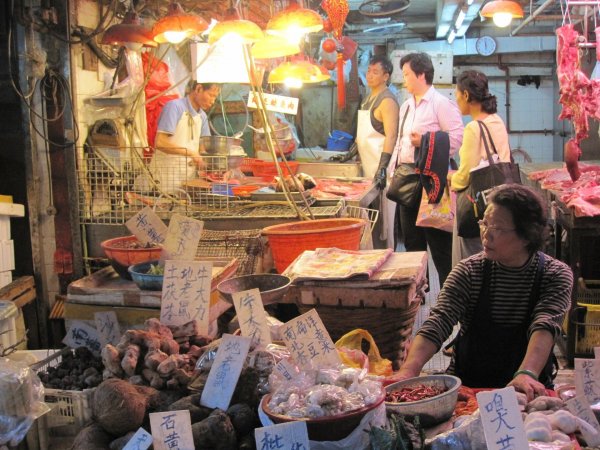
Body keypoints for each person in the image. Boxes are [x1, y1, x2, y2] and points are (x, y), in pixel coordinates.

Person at [396, 184, 573, 400]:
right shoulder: (469, 271)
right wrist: (410, 369)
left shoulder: (555, 274)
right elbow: (439, 320)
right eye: (484, 224)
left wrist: (526, 374)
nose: (485, 236)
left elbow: (545, 325)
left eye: (497, 229)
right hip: (469, 390)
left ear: (527, 235)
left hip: (527, 391)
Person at [394, 52, 463, 286]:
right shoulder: (405, 107)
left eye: (406, 74)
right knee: (412, 245)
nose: (404, 79)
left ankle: (448, 296)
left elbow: (455, 139)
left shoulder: (442, 104)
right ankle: (417, 297)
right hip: (407, 181)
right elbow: (399, 142)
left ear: (421, 74)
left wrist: (424, 141)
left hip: (432, 184)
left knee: (440, 245)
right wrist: (393, 168)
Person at [450, 70, 512, 266]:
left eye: (456, 95)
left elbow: (466, 175)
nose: (456, 100)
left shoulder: (474, 128)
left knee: (471, 263)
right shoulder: (497, 121)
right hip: (501, 204)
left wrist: (452, 178)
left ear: (466, 95)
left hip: (478, 209)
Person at [355, 54, 399, 249]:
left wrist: (382, 168)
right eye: (368, 71)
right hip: (367, 169)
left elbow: (391, 136)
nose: (370, 75)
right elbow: (364, 134)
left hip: (382, 172)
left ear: (386, 76)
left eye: (375, 72)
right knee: (371, 220)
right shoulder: (367, 99)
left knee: (383, 223)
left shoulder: (387, 100)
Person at [153, 81, 221, 192]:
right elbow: (160, 142)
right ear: (198, 89)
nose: (213, 101)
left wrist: (208, 165)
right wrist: (191, 153)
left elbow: (202, 149)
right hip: (165, 176)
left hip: (188, 180)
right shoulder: (174, 107)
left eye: (215, 97)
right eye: (211, 95)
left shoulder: (202, 117)